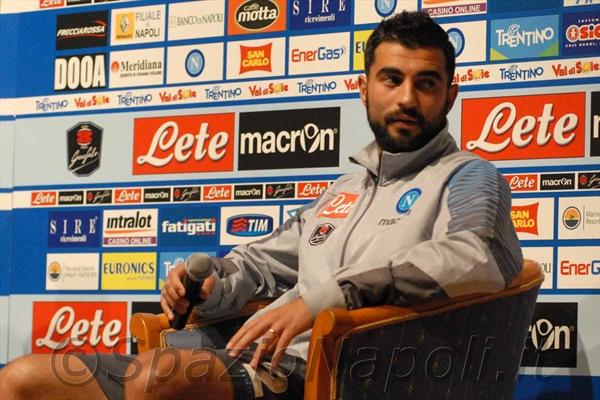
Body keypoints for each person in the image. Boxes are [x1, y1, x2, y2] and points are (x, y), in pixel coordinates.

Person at [0, 10, 522, 400]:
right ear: (363, 89)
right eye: (392, 79)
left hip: (349, 375)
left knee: (158, 379)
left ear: (450, 96)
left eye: (426, 83)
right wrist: (212, 284)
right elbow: (262, 263)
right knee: (22, 379)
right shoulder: (345, 190)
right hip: (259, 357)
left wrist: (330, 297)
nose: (407, 98)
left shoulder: (469, 176)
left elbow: (477, 255)